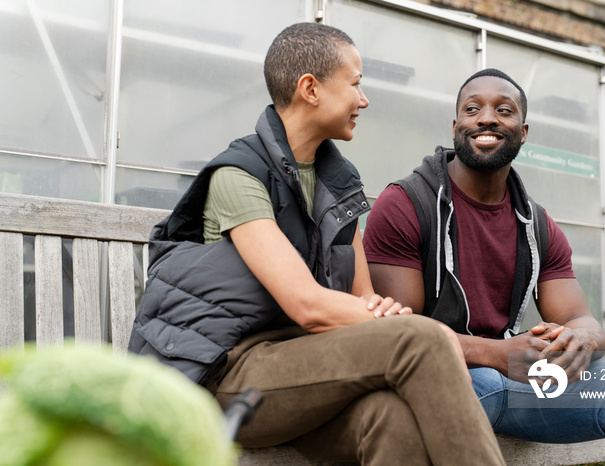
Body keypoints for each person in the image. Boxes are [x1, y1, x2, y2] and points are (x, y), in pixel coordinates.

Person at [128, 23, 505, 466]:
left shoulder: (339, 185)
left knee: (391, 418)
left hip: (304, 366)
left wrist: (387, 316)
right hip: (221, 374)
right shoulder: (240, 175)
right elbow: (305, 303)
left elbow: (364, 298)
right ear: (310, 88)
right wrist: (424, 331)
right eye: (356, 84)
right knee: (421, 340)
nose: (363, 100)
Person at [363, 68, 605, 465]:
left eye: (504, 110)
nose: (487, 118)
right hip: (435, 380)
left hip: (513, 374)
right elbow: (396, 335)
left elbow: (580, 317)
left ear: (524, 131)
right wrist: (497, 353)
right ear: (455, 126)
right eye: (473, 109)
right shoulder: (406, 204)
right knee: (479, 383)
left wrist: (581, 339)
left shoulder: (537, 224)